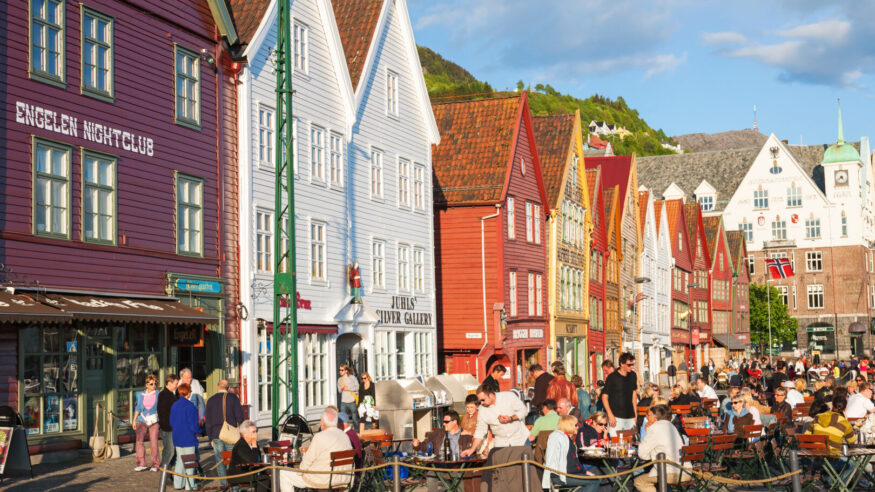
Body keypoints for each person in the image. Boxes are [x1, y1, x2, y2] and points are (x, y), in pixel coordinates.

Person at [461, 385, 538, 491]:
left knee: (526, 472)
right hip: (501, 443)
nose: (481, 403)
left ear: (491, 395)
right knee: (503, 475)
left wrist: (511, 418)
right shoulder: (482, 410)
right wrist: (472, 449)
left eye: (483, 400)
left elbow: (523, 411)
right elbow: (480, 431)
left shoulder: (508, 396)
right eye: (479, 401)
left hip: (520, 439)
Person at [280, 409, 353, 491]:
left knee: (283, 473)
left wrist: (300, 472)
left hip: (324, 480)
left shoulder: (320, 436)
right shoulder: (345, 436)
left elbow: (307, 461)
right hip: (344, 478)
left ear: (322, 423)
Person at [635, 404, 688, 491]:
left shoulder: (654, 428)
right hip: (684, 470)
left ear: (655, 418)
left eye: (648, 415)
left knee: (639, 481)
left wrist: (647, 431)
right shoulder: (671, 426)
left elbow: (642, 455)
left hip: (670, 472)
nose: (647, 417)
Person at [544, 415, 600, 492]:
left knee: (594, 478)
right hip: (560, 476)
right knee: (594, 481)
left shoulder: (565, 438)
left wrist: (584, 472)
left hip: (564, 474)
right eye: (576, 425)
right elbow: (570, 465)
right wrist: (582, 473)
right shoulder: (561, 438)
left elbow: (573, 462)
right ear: (569, 425)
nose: (578, 427)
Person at [205, 379, 244, 485]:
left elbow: (207, 421)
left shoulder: (210, 400)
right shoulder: (233, 398)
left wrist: (210, 438)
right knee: (232, 461)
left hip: (216, 435)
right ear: (228, 388)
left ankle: (224, 485)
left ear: (218, 387)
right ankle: (234, 485)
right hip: (230, 435)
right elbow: (240, 417)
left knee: (220, 461)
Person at [170, 383, 202, 490]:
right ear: (188, 392)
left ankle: (178, 484)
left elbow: (171, 422)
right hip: (188, 437)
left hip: (177, 437)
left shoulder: (174, 405)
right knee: (190, 462)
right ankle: (190, 485)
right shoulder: (190, 406)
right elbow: (193, 425)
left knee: (180, 460)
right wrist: (199, 431)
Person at [602, 352, 638, 435]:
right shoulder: (612, 377)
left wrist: (635, 414)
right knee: (615, 443)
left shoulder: (633, 375)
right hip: (616, 417)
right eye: (629, 365)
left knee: (629, 444)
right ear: (622, 364)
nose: (631, 367)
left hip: (630, 416)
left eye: (632, 364)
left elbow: (634, 395)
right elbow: (604, 397)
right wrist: (610, 415)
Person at [133, 374, 161, 472]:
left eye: (155, 384)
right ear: (146, 385)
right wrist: (134, 420)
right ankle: (141, 463)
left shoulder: (158, 394)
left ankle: (155, 464)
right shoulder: (140, 395)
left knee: (153, 442)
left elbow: (161, 408)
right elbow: (138, 408)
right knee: (139, 441)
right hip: (142, 419)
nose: (154, 386)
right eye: (151, 384)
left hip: (154, 420)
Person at [228, 420, 263, 490]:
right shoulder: (241, 446)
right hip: (238, 474)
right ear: (245, 434)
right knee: (264, 479)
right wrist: (254, 445)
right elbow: (254, 461)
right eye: (253, 432)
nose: (256, 434)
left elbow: (258, 461)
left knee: (270, 476)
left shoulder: (253, 443)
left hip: (249, 472)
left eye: (256, 431)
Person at [158, 374, 179, 469]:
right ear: (169, 383)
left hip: (171, 427)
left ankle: (167, 469)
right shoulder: (164, 395)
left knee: (171, 450)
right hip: (167, 428)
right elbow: (163, 413)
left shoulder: (171, 394)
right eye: (175, 384)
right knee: (169, 450)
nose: (176, 386)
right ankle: (165, 471)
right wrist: (168, 427)